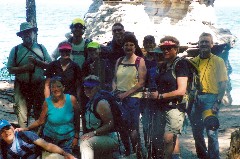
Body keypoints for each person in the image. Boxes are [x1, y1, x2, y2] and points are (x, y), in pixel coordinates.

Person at [16, 76, 80, 154]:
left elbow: (77, 119)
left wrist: (76, 137)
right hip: (50, 139)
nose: (55, 89)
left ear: (63, 88)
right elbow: (40, 121)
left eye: (58, 86)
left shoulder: (71, 99)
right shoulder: (47, 102)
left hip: (67, 139)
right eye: (52, 87)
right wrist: (26, 128)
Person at [149, 36, 189, 159]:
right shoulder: (164, 65)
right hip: (161, 107)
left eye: (169, 48)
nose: (165, 51)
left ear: (176, 49)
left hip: (175, 107)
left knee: (168, 138)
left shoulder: (181, 64)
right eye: (163, 48)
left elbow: (181, 90)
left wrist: (160, 96)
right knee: (157, 138)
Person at [189, 32, 228, 159]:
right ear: (198, 45)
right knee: (196, 132)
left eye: (207, 41)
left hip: (211, 99)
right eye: (202, 42)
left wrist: (218, 102)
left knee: (211, 132)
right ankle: (202, 156)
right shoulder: (193, 62)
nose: (204, 44)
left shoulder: (218, 61)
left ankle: (214, 157)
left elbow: (223, 83)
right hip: (195, 99)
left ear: (211, 45)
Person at [7, 22, 52, 128]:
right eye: (24, 32)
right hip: (22, 86)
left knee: (39, 113)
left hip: (39, 85)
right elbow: (10, 69)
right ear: (21, 36)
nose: (27, 34)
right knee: (22, 113)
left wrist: (37, 62)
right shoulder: (16, 49)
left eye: (29, 32)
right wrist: (25, 68)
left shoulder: (41, 48)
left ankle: (38, 138)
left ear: (34, 33)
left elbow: (50, 65)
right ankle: (23, 137)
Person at [112, 33, 147, 157]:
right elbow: (115, 79)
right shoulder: (119, 60)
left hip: (133, 99)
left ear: (135, 46)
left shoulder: (139, 60)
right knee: (121, 127)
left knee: (133, 128)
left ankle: (137, 153)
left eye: (131, 45)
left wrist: (125, 94)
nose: (128, 47)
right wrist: (115, 91)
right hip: (119, 98)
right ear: (123, 47)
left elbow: (141, 83)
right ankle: (127, 151)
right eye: (126, 45)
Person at [80, 75, 118, 159]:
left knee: (85, 144)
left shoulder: (101, 103)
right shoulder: (90, 101)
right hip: (97, 138)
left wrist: (93, 133)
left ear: (97, 88)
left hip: (109, 137)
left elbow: (110, 124)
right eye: (85, 87)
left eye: (90, 88)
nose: (86, 90)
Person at [0, 119, 76, 159]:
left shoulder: (25, 135)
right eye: (2, 131)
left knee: (57, 157)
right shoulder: (2, 148)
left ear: (13, 128)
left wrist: (65, 154)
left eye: (7, 128)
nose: (6, 132)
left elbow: (47, 146)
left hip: (39, 157)